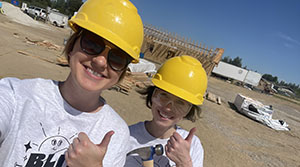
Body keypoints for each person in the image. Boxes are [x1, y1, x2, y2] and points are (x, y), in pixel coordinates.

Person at [0, 0, 144, 166]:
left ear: (122, 71)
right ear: (72, 44)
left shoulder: (116, 133)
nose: (100, 62)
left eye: (117, 57)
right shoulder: (16, 94)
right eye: (92, 43)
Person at [125, 55, 208, 167]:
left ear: (188, 111)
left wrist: (184, 163)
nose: (168, 107)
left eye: (180, 102)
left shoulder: (192, 146)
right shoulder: (127, 136)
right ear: (153, 95)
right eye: (164, 95)